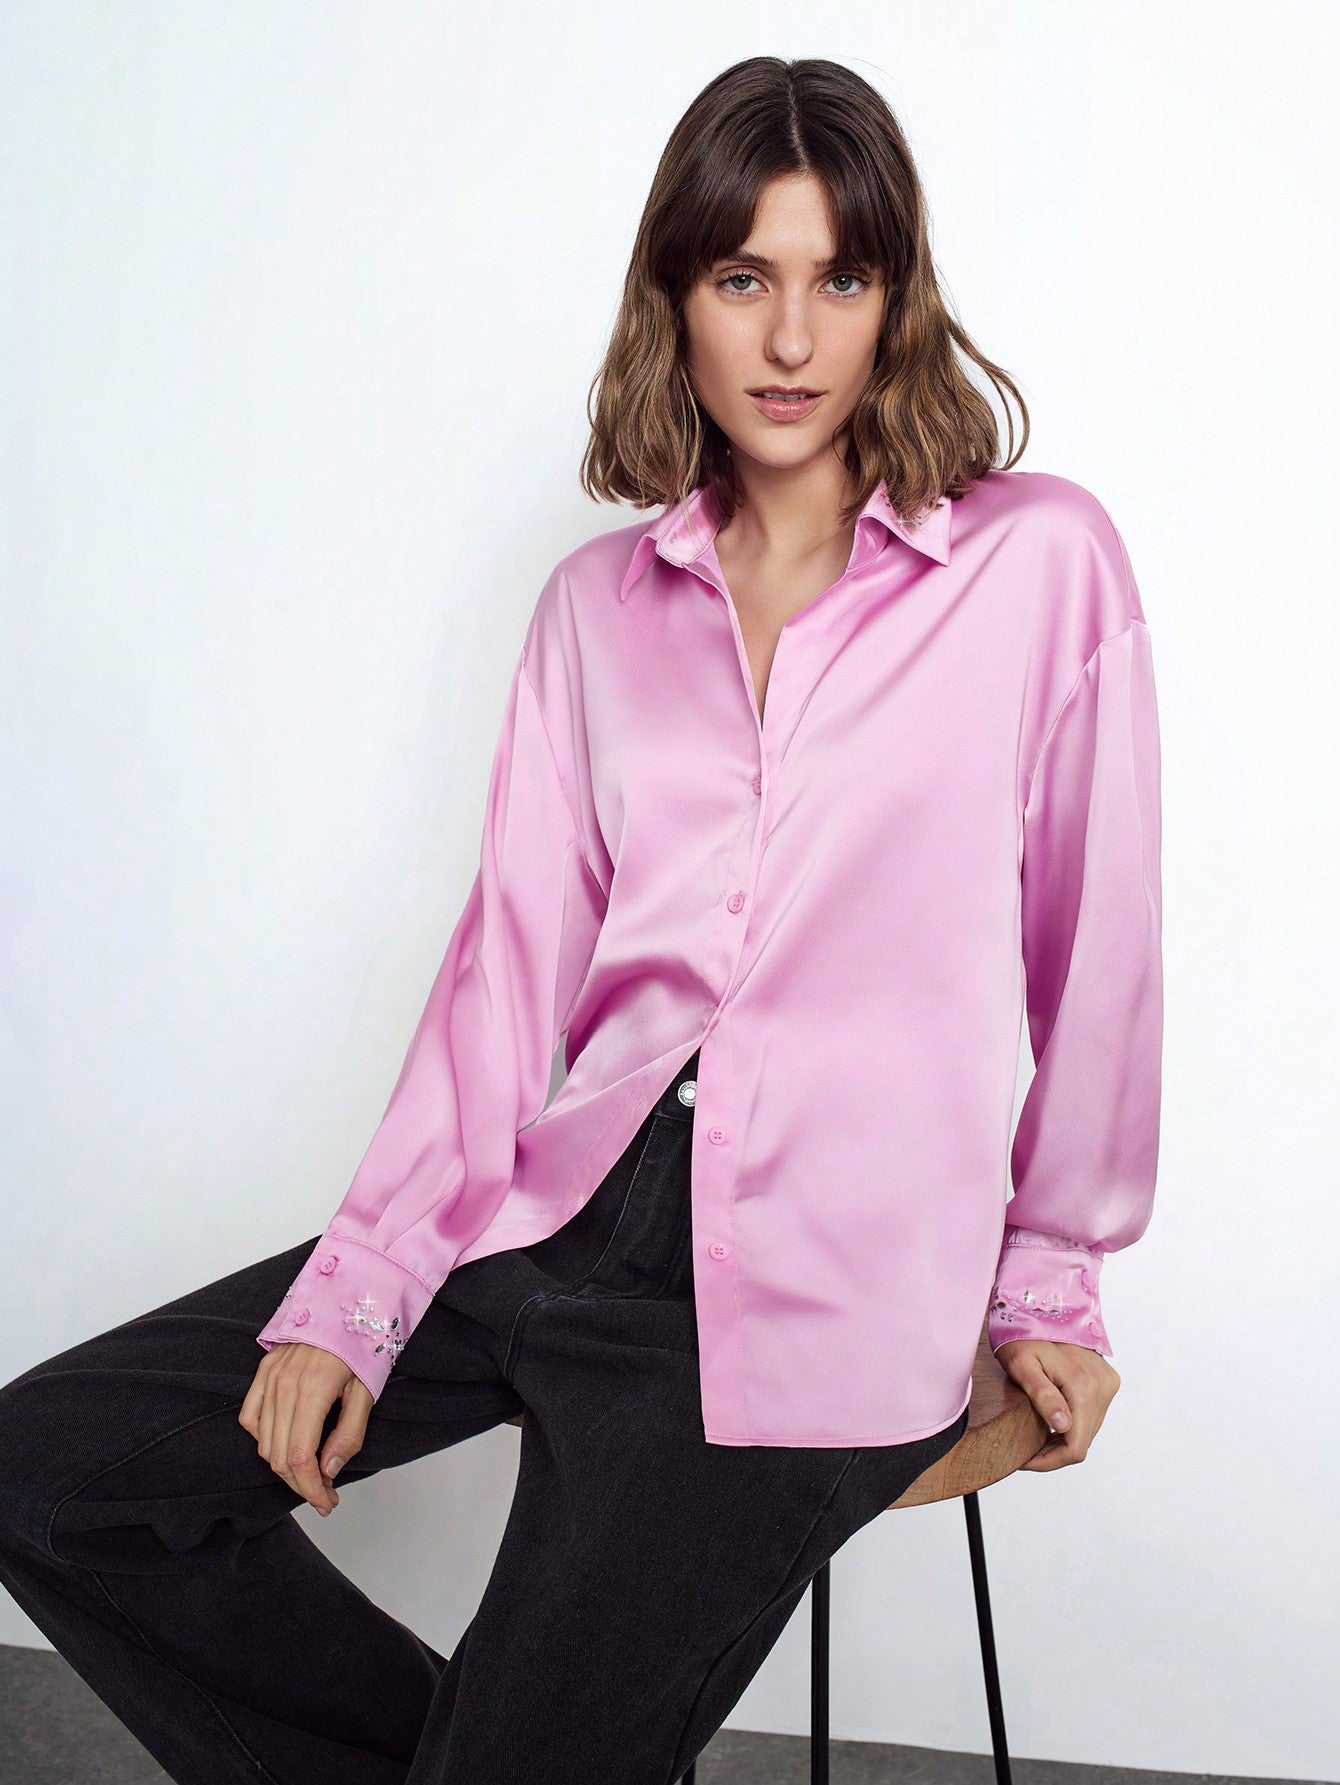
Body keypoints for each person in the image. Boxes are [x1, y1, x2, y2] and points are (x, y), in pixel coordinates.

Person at [0, 52, 1162, 1785]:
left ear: (897, 300)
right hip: (562, 1215)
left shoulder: (1040, 566)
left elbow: (1104, 954)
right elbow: (506, 981)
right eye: (743, 277)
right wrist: (355, 1290)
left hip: (829, 1287)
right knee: (51, 1474)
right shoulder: (594, 614)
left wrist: (1053, 1275)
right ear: (675, 297)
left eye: (840, 278)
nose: (792, 338)